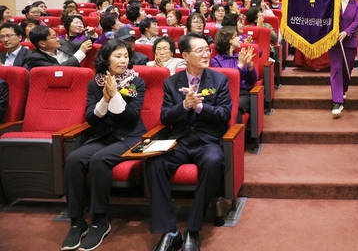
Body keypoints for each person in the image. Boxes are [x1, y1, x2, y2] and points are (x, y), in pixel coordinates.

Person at [147, 33, 232, 251]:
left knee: (213, 161)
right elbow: (165, 117)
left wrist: (199, 107)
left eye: (207, 50)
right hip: (180, 141)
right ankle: (170, 230)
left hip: (207, 141)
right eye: (200, 51)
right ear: (185, 55)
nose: (206, 54)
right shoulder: (171, 82)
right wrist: (184, 105)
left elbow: (224, 115)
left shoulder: (219, 80)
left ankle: (192, 229)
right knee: (154, 162)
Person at [61, 40, 146, 251]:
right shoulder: (94, 84)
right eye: (118, 56)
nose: (123, 60)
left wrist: (115, 95)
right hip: (104, 136)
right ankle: (76, 220)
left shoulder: (136, 82)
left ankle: (100, 219)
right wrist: (105, 100)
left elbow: (130, 117)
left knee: (99, 160)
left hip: (130, 136)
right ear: (106, 59)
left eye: (126, 56)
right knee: (73, 159)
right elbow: (92, 119)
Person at [329, 0, 358, 116]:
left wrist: (346, 32)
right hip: (334, 42)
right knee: (336, 69)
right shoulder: (332, 3)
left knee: (347, 70)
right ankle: (337, 101)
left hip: (349, 42)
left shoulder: (357, 5)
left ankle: (342, 91)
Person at [210, 26, 257, 123]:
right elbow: (224, 80)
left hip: (243, 93)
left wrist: (250, 66)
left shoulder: (241, 56)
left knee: (235, 106)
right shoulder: (216, 60)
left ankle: (235, 137)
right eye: (236, 36)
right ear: (229, 40)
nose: (239, 38)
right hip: (224, 94)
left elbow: (253, 81)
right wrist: (239, 66)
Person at [26, 25, 92, 69]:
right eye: (53, 37)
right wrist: (81, 52)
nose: (58, 39)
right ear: (42, 43)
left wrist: (92, 34)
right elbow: (60, 69)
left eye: (56, 35)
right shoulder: (34, 58)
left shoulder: (63, 43)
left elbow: (85, 43)